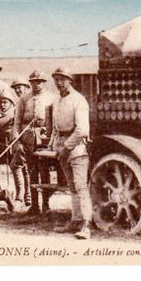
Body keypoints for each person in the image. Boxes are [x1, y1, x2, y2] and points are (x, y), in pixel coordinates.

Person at [50, 67, 92, 240]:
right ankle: (75, 220)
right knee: (72, 186)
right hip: (62, 147)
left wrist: (67, 147)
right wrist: (55, 147)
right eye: (57, 79)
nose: (59, 83)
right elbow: (55, 127)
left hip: (77, 149)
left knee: (81, 186)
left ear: (70, 81)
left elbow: (82, 129)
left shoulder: (79, 100)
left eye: (63, 79)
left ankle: (86, 225)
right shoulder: (57, 101)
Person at [13, 68, 54, 217]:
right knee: (31, 172)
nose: (36, 84)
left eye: (39, 82)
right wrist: (17, 143)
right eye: (33, 82)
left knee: (44, 172)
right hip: (28, 139)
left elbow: (54, 121)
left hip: (44, 139)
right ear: (30, 83)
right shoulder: (24, 99)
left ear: (43, 83)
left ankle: (46, 205)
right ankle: (34, 206)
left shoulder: (51, 98)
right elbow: (16, 122)